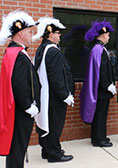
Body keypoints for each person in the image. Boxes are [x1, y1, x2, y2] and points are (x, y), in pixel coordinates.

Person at [0, 10, 41, 168]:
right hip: (20, 112)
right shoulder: (17, 55)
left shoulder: (15, 52)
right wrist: (28, 106)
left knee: (18, 148)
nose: (32, 35)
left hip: (19, 111)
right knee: (17, 149)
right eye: (30, 32)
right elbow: (18, 84)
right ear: (21, 33)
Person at [32, 17, 74, 162]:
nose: (60, 35)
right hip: (54, 97)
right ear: (50, 34)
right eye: (57, 32)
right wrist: (65, 95)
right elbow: (56, 77)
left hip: (46, 95)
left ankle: (46, 149)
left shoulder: (42, 48)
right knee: (55, 125)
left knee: (47, 123)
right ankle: (54, 153)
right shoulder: (52, 51)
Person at [79, 20, 116, 147]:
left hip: (101, 89)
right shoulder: (98, 49)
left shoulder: (99, 48)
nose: (109, 37)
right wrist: (107, 85)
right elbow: (100, 70)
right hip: (100, 90)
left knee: (102, 114)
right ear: (103, 35)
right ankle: (98, 139)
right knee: (100, 115)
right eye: (108, 35)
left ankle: (101, 136)